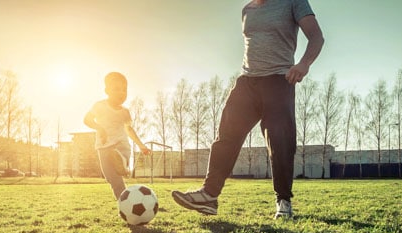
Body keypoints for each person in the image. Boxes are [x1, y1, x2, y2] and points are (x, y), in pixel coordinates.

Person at [172, 0, 324, 218]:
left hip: (279, 80)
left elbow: (316, 36)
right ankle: (209, 196)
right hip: (247, 81)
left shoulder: (293, 2)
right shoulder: (247, 9)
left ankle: (283, 201)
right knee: (226, 137)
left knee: (280, 141)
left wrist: (304, 64)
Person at [84, 72, 151, 199]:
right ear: (107, 90)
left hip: (121, 145)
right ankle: (124, 201)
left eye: (124, 90)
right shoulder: (99, 106)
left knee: (121, 156)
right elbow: (87, 119)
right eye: (116, 89)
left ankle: (123, 162)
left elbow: (129, 130)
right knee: (112, 178)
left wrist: (141, 146)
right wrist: (99, 128)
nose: (121, 93)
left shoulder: (125, 112)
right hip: (103, 147)